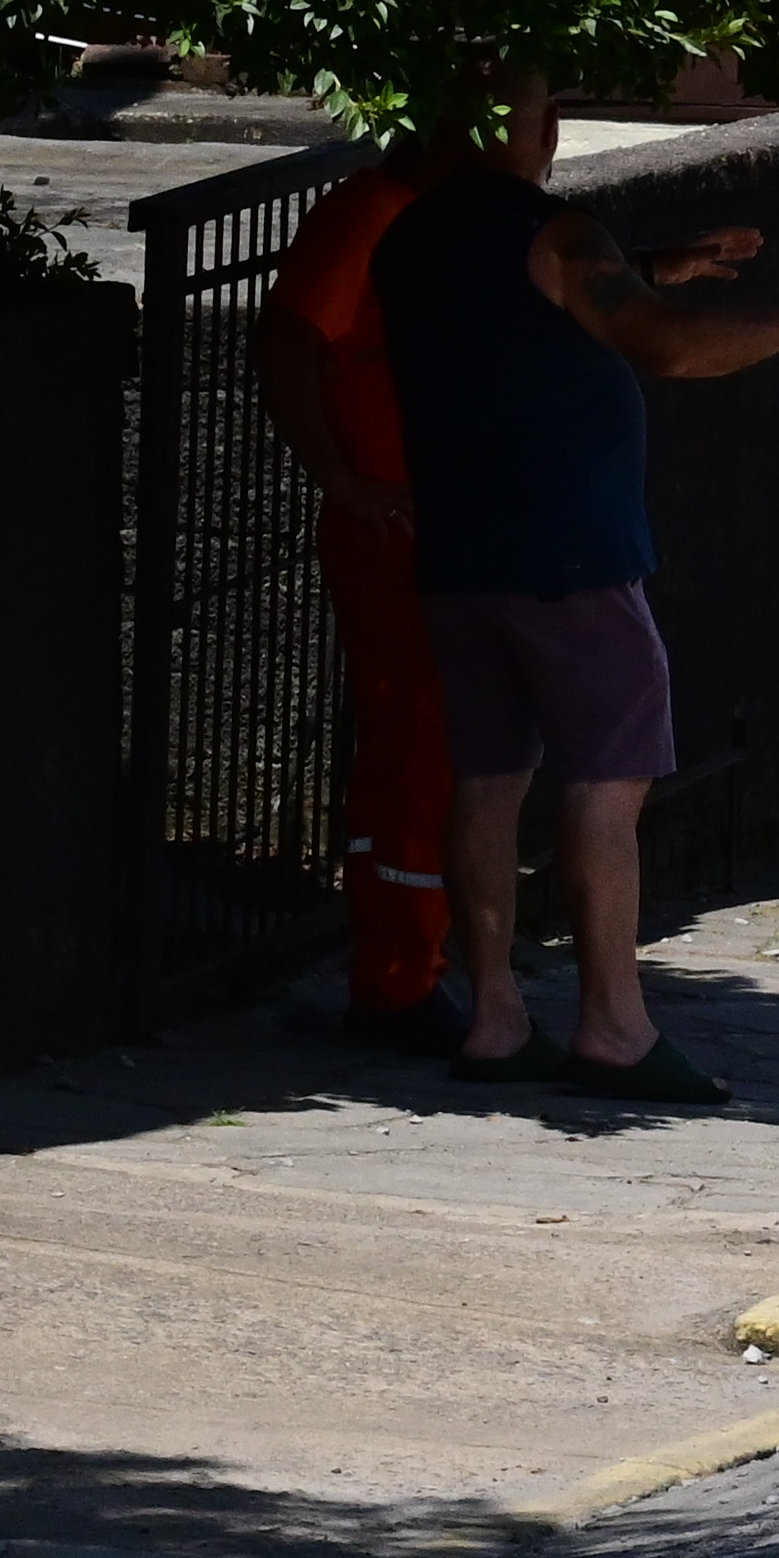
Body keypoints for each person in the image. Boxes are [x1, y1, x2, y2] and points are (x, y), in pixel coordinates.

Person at [372, 74, 779, 1103]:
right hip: (571, 553)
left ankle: (492, 1015)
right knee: (608, 778)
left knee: (487, 778)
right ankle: (614, 1023)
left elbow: (520, 313)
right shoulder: (562, 236)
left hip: (459, 550)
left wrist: (660, 263)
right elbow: (659, 341)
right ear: (544, 129)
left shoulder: (414, 237)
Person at [250, 138, 468, 1050]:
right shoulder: (372, 210)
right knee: (414, 749)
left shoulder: (439, 215)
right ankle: (397, 980)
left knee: (443, 750)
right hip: (394, 525)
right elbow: (286, 339)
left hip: (435, 520)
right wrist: (343, 482)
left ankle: (419, 964)